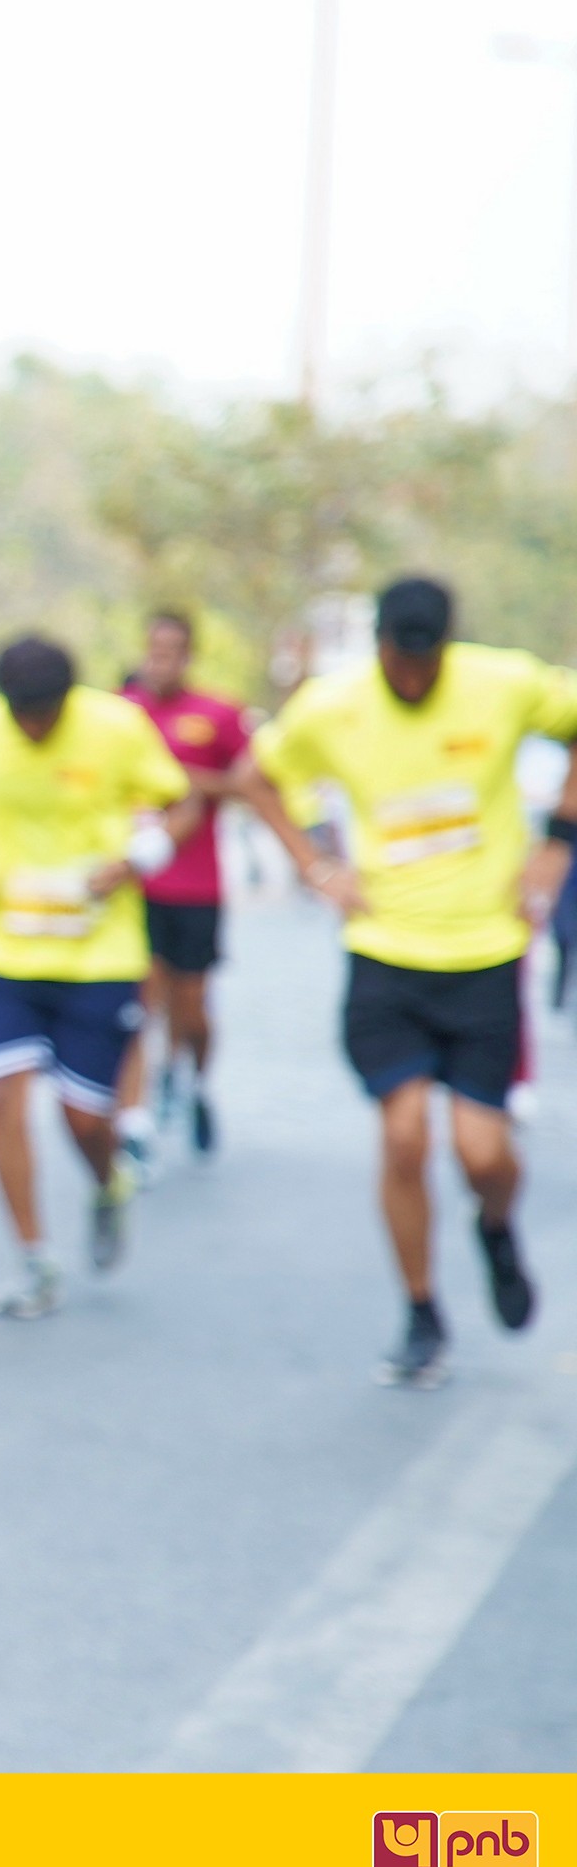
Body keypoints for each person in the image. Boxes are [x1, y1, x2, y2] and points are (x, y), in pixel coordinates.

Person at [235, 576, 576, 1387]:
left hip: (484, 954)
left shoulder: (502, 683)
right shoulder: (333, 705)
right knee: (403, 1135)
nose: (415, 677)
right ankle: (422, 1311)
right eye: (401, 662)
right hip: (386, 952)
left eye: (428, 663)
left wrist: (558, 842)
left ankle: (495, 1226)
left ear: (447, 647)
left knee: (482, 1154)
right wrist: (316, 864)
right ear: (380, 646)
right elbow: (254, 776)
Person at [0, 636, 195, 1318]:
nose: (32, 727)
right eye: (21, 714)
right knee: (2, 1097)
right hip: (0, 949)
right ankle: (33, 1260)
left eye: (44, 714)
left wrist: (136, 860)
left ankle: (108, 1184)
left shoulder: (117, 727)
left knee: (83, 1119)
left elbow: (182, 803)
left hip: (96, 954)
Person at [115, 610, 250, 1165]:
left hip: (197, 887)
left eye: (171, 651)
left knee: (192, 1007)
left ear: (188, 655)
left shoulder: (217, 714)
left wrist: (194, 783)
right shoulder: (121, 714)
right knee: (139, 1001)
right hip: (136, 886)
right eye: (154, 650)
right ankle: (135, 1116)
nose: (160, 661)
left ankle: (195, 1079)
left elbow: (248, 784)